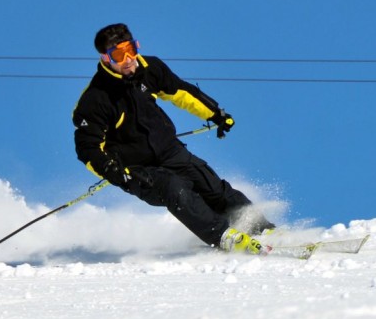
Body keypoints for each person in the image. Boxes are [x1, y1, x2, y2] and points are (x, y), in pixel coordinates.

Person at [71, 23, 275, 254]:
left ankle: (263, 230)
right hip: (136, 169)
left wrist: (215, 114)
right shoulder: (95, 99)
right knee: (175, 188)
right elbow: (87, 148)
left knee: (213, 187)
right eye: (119, 55)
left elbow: (180, 92)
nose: (128, 59)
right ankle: (225, 237)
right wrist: (115, 172)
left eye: (130, 50)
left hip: (170, 150)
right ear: (106, 58)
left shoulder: (150, 69)